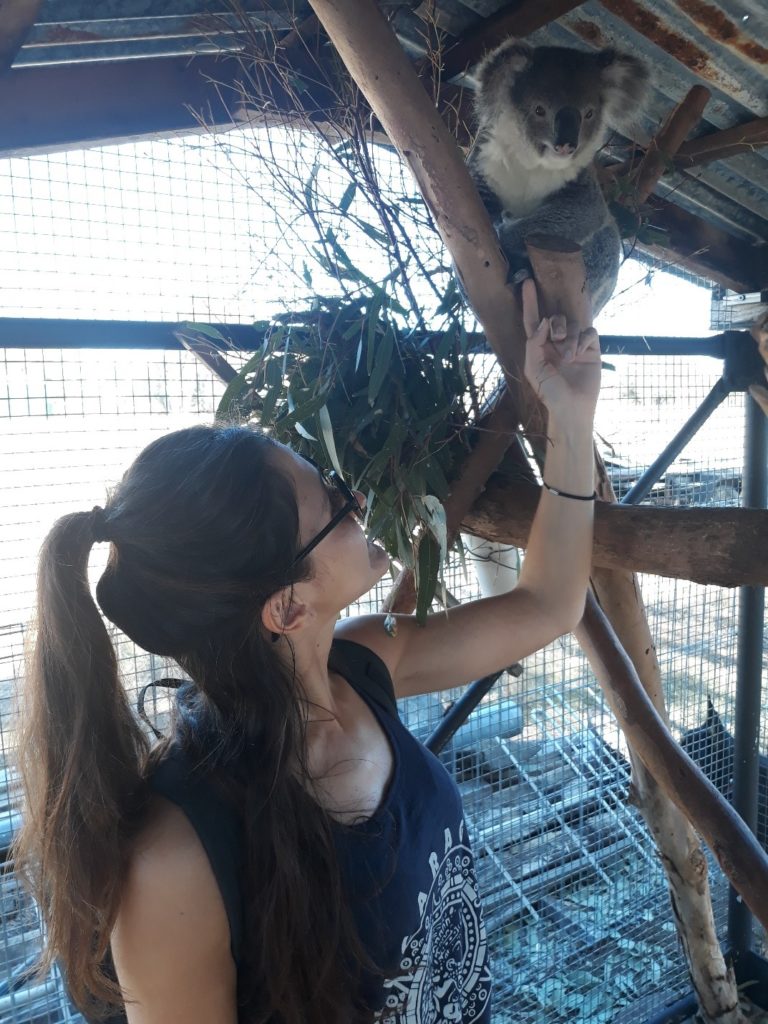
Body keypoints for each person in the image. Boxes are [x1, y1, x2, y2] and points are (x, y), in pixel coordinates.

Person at [14, 279, 600, 1024]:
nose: (354, 498)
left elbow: (547, 604)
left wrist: (570, 420)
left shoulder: (365, 667)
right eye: (331, 500)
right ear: (286, 607)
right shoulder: (175, 859)